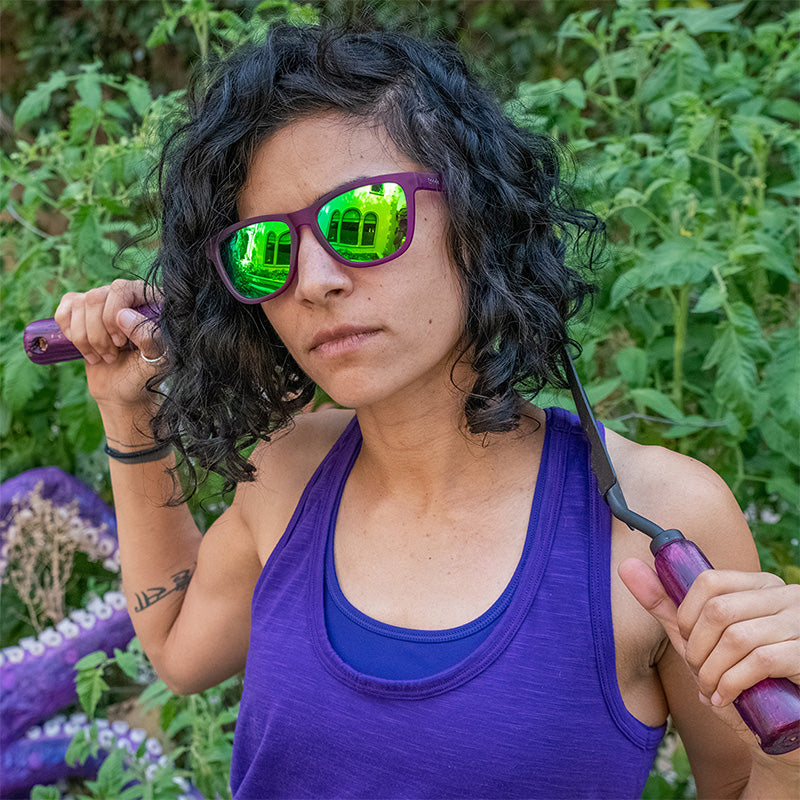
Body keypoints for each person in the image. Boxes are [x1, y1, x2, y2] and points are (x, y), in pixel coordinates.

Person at [53, 23, 799, 799]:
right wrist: (126, 413)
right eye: (265, 249)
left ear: (480, 221)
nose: (313, 280)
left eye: (364, 219)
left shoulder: (655, 522)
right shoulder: (284, 473)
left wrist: (790, 764)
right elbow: (177, 650)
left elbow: (742, 783)